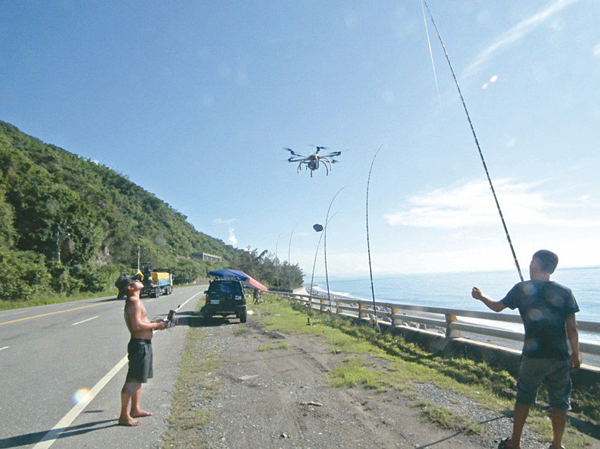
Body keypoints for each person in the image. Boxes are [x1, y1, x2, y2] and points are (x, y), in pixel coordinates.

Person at [471, 250, 581, 449]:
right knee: (560, 404)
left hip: (534, 356)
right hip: (560, 357)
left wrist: (480, 297)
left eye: (532, 261)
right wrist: (576, 354)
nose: (529, 265)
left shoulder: (521, 289)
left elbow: (496, 307)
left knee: (524, 399)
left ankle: (514, 443)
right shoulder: (565, 292)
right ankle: (557, 445)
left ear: (538, 264)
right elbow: (571, 328)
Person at [119, 278, 167, 426]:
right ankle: (124, 416)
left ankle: (135, 409)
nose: (139, 280)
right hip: (139, 345)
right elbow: (136, 326)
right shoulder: (134, 302)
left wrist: (155, 323)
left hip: (143, 344)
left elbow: (141, 322)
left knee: (138, 378)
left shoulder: (135, 301)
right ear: (130, 287)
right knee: (132, 379)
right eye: (135, 280)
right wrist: (157, 325)